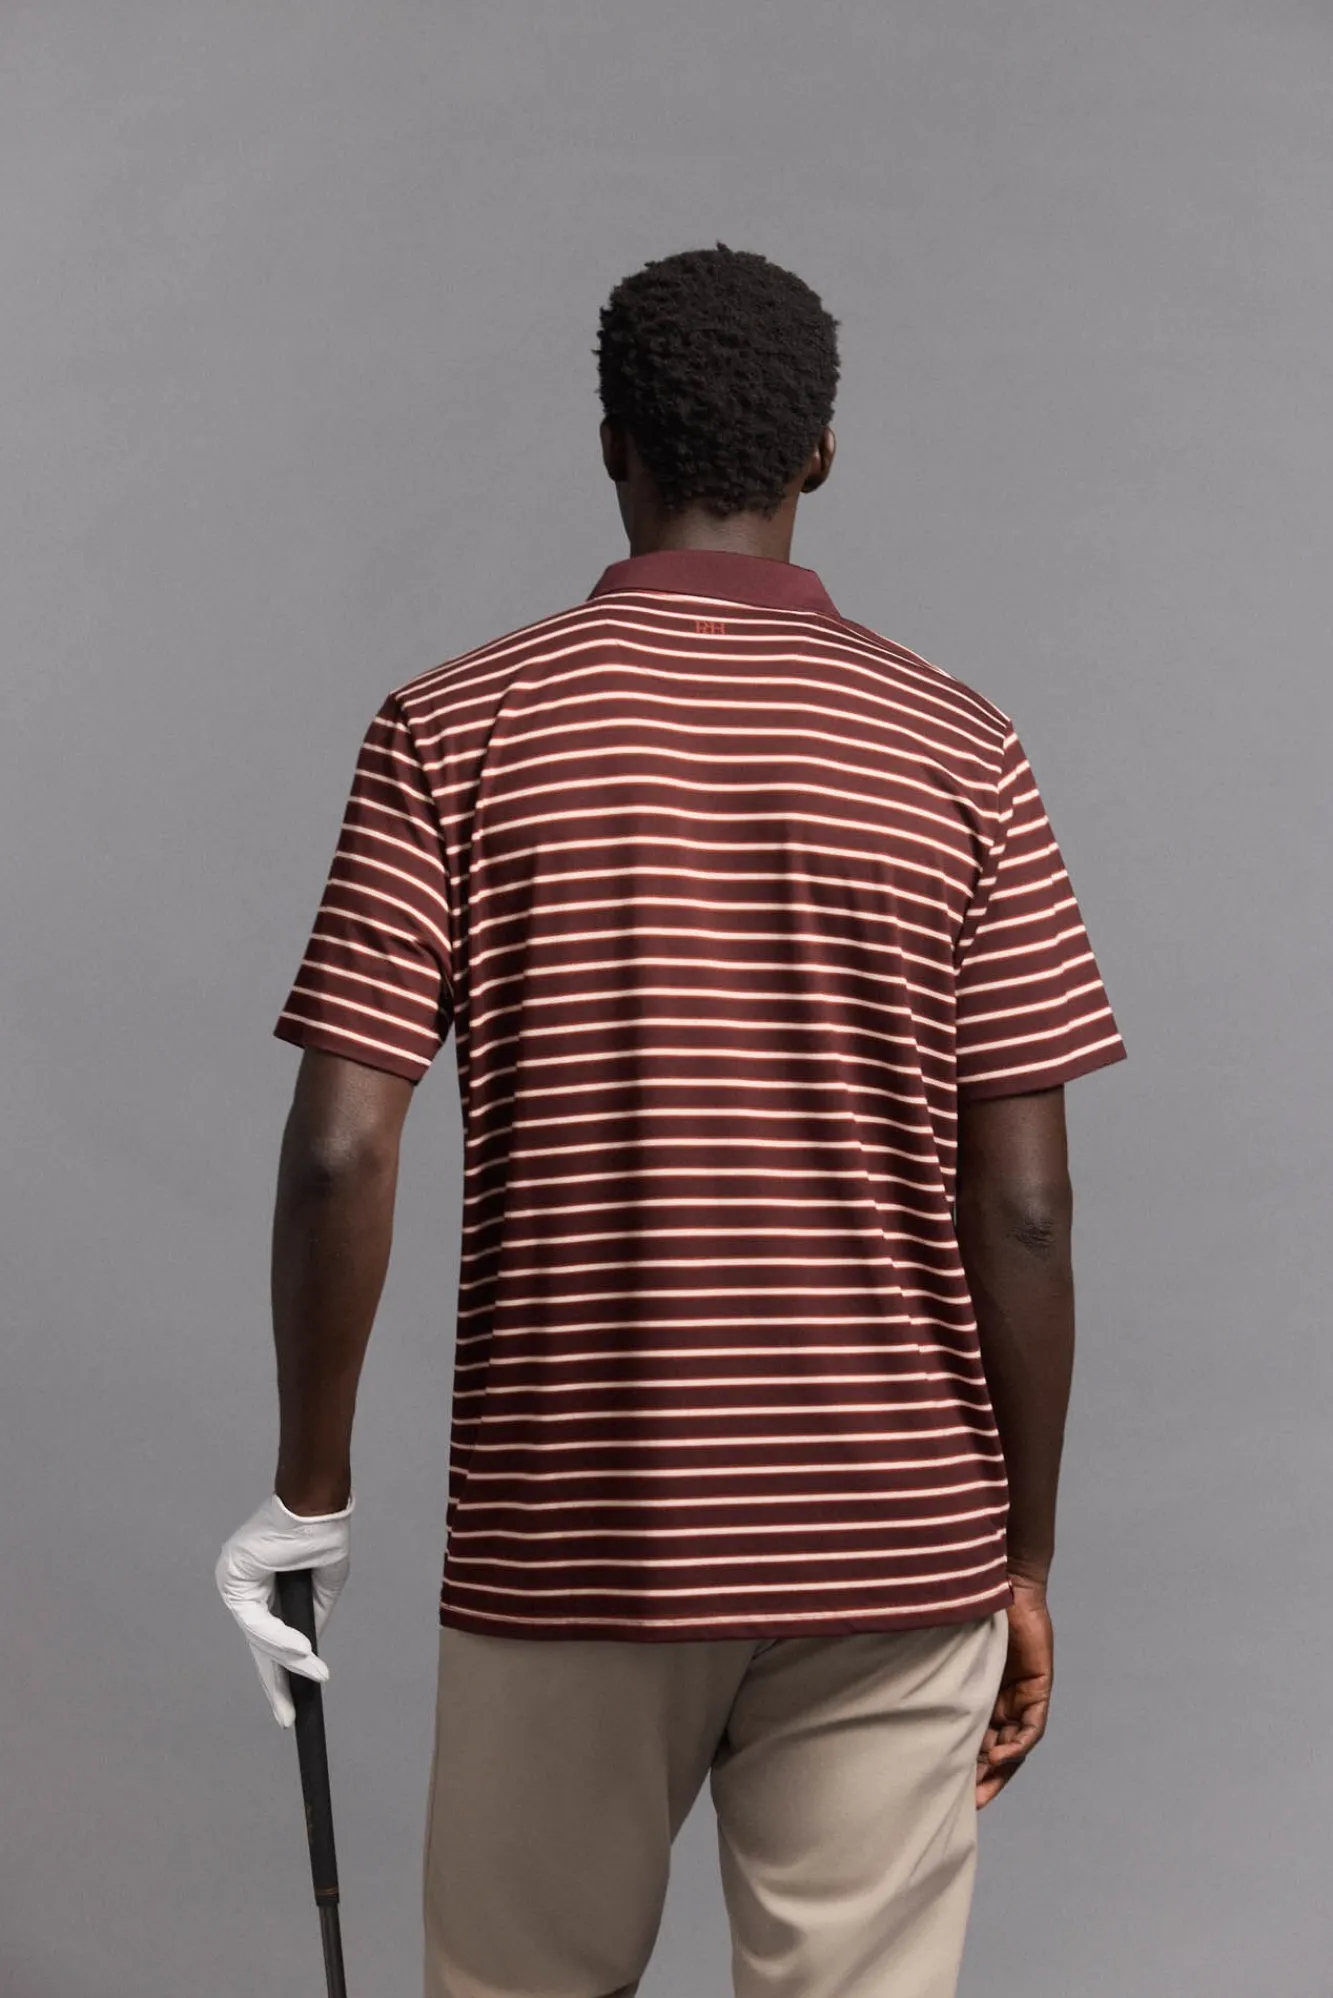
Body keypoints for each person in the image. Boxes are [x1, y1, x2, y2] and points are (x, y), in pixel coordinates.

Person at [216, 242, 1127, 1998]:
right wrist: (1022, 1554)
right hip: (895, 1542)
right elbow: (1025, 1208)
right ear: (822, 456)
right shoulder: (965, 749)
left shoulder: (453, 728)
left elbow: (340, 1145)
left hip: (574, 1532)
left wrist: (307, 1494)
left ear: (611, 443)